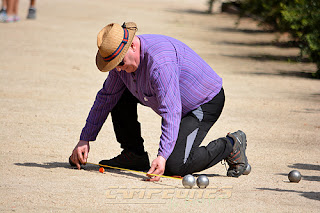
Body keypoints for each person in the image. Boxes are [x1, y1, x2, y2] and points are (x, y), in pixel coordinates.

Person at [69, 22, 249, 181]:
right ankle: (134, 154)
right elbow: (106, 97)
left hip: (202, 103)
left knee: (175, 166)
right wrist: (85, 138)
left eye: (120, 62)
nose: (117, 69)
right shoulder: (121, 67)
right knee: (117, 95)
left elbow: (171, 111)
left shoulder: (160, 63)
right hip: (177, 103)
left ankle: (232, 145)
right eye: (113, 65)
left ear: (132, 46)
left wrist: (162, 157)